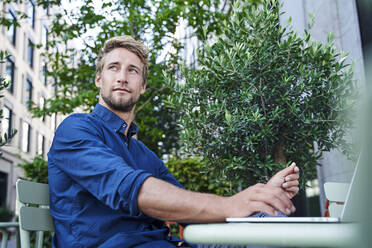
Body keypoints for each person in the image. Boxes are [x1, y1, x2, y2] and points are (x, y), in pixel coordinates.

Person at [48, 35, 300, 248]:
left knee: (267, 224)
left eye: (132, 70)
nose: (122, 77)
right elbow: (130, 189)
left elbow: (189, 211)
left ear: (143, 85)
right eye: (113, 67)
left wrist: (263, 198)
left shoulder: (143, 154)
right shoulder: (76, 129)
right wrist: (232, 204)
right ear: (98, 80)